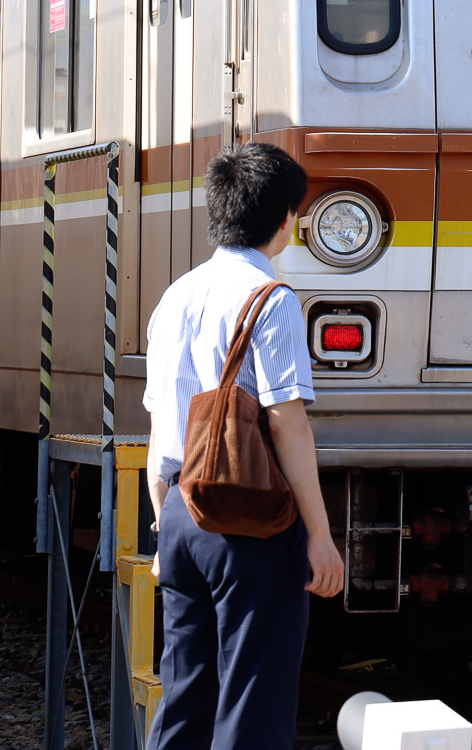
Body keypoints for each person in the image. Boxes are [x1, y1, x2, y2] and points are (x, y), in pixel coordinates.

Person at [142, 144, 345, 749]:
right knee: (252, 702)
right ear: (285, 217)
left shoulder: (175, 296)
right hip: (249, 521)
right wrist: (320, 535)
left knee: (185, 695)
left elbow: (160, 425)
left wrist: (164, 528)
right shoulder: (272, 299)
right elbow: (288, 424)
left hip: (181, 509)